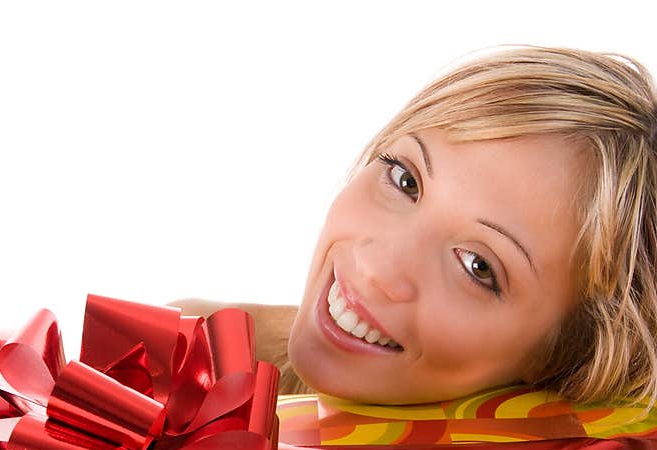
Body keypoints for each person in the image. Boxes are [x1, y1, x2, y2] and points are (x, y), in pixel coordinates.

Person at [171, 45, 657, 409]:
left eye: (477, 265)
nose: (378, 267)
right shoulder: (171, 357)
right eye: (406, 179)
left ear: (563, 358)